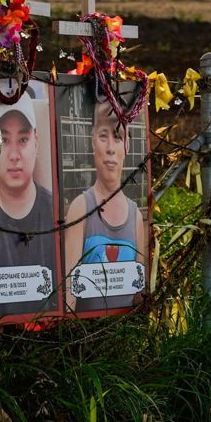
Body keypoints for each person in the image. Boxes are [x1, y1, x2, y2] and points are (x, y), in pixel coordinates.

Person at [0, 94, 56, 317]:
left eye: (23, 140)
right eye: (4, 140)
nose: (14, 156)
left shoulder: (58, 214)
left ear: (36, 143)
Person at [64, 102, 147, 312]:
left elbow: (139, 292)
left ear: (126, 146)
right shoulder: (80, 207)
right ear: (93, 143)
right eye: (103, 136)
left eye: (117, 137)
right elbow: (69, 292)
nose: (110, 148)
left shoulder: (135, 215)